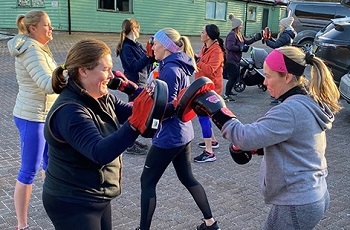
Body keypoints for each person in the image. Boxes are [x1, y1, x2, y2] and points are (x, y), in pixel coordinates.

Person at [193, 46, 342, 229]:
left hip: (297, 201)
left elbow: (243, 137)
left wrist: (216, 108)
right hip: (309, 195)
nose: (264, 82)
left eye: (269, 76)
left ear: (286, 77)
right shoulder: (307, 100)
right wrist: (259, 148)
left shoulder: (291, 110)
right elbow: (299, 141)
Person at [42, 38, 159, 230]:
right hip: (73, 201)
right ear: (83, 70)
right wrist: (134, 126)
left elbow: (131, 111)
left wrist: (177, 105)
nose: (111, 75)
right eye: (105, 69)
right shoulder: (70, 111)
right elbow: (99, 152)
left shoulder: (101, 96)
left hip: (97, 196)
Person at [135, 28, 220, 230]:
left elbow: (170, 107)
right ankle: (210, 223)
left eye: (155, 43)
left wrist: (147, 115)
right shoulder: (176, 65)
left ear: (165, 46)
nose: (152, 46)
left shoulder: (170, 70)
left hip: (169, 137)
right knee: (187, 177)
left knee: (147, 182)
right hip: (183, 134)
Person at [7, 10, 58, 230]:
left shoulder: (40, 48)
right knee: (29, 170)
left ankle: (56, 208)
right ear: (32, 29)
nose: (51, 28)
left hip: (45, 115)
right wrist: (71, 72)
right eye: (46, 25)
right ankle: (22, 224)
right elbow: (48, 84)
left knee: (51, 165)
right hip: (32, 117)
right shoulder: (31, 51)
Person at [116, 18, 154, 155]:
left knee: (135, 113)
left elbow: (146, 60)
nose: (139, 31)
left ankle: (130, 141)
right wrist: (147, 57)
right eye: (138, 28)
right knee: (134, 114)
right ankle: (129, 143)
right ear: (133, 29)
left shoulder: (136, 45)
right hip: (134, 84)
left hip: (142, 82)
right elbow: (133, 67)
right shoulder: (127, 47)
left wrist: (152, 56)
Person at [193, 24, 225, 163]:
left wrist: (197, 61)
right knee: (205, 116)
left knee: (203, 116)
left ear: (209, 35)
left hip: (211, 89)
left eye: (203, 32)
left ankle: (209, 152)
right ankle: (212, 141)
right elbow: (201, 63)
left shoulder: (217, 50)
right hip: (202, 87)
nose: (200, 33)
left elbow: (210, 70)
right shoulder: (205, 48)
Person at [223, 13, 260, 102]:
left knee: (235, 77)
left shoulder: (239, 34)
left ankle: (230, 92)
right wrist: (240, 48)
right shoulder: (232, 35)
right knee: (233, 78)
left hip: (236, 60)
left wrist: (255, 39)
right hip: (230, 60)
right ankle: (226, 95)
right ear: (236, 25)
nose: (241, 26)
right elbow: (229, 46)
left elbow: (246, 42)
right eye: (240, 25)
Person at [263, 16, 297, 105]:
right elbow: (278, 43)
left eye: (281, 24)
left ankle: (279, 96)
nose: (280, 25)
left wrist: (266, 40)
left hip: (283, 59)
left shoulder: (286, 35)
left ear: (285, 25)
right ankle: (278, 94)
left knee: (280, 78)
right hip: (285, 58)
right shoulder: (288, 33)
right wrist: (270, 39)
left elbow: (276, 45)